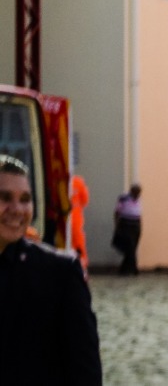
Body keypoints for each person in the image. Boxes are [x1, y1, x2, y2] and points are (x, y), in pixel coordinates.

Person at [0, 155, 102, 383]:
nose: (17, 209)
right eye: (5, 197)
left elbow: (85, 370)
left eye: (25, 199)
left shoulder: (60, 273)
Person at [112, 183, 143, 275]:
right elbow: (117, 212)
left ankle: (123, 269)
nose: (138, 194)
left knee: (132, 248)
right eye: (136, 192)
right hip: (126, 224)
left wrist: (140, 226)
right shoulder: (123, 199)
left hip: (136, 224)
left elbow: (139, 214)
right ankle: (134, 269)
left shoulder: (138, 199)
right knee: (130, 247)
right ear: (132, 191)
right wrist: (117, 225)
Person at [69, 172, 90, 271]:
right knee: (78, 242)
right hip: (76, 217)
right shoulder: (78, 182)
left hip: (63, 218)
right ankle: (82, 265)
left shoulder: (59, 180)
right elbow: (85, 200)